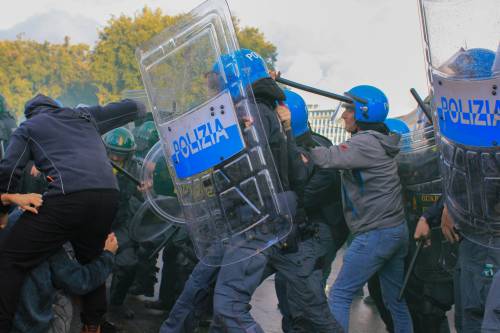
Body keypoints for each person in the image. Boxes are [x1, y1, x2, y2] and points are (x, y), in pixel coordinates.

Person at [0, 94, 145, 333]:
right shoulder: (83, 115)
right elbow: (125, 109)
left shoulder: (29, 127)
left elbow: (9, 168)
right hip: (108, 193)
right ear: (57, 108)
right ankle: (92, 324)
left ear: (31, 114)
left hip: (68, 196)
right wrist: (140, 106)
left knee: (11, 259)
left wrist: (3, 211)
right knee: (91, 255)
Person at [311, 85, 413, 332]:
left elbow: (324, 159)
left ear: (363, 114)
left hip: (375, 234)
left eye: (349, 109)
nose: (345, 115)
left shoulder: (364, 142)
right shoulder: (380, 140)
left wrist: (298, 147)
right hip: (396, 231)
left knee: (340, 294)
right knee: (395, 301)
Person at [274, 89, 348, 332]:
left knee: (304, 299)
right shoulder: (290, 146)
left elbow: (306, 195)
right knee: (288, 291)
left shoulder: (315, 148)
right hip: (304, 231)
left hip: (321, 230)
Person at [11, 233, 118, 333]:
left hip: (9, 316)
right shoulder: (45, 234)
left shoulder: (11, 222)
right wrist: (108, 255)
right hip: (31, 326)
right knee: (64, 294)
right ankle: (91, 326)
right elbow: (78, 282)